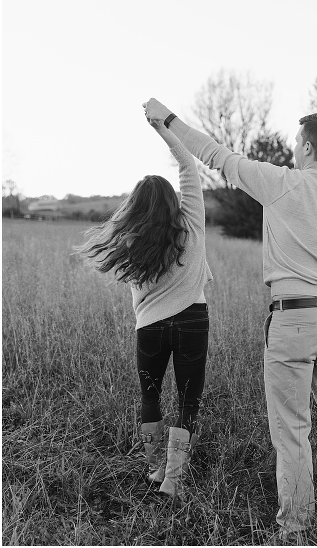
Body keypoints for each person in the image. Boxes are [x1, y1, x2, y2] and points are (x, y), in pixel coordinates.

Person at [144, 98, 317, 542]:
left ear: (308, 148)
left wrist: (167, 119)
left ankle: (296, 525)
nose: (294, 148)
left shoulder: (281, 183)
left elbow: (215, 154)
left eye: (297, 142)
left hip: (293, 319)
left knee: (292, 429)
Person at [77, 108, 212, 500]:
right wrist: (163, 128)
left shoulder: (133, 242)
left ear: (135, 206)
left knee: (150, 397)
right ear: (174, 201)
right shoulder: (191, 223)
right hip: (193, 322)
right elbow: (188, 165)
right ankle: (174, 478)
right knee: (188, 401)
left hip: (150, 328)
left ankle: (155, 468)